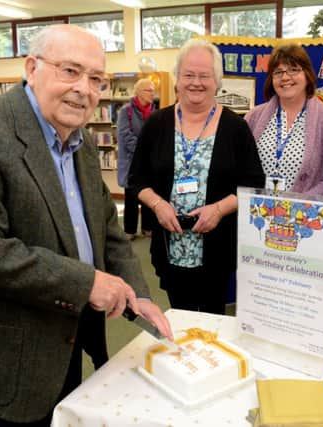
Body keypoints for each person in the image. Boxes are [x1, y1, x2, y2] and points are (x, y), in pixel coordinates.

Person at [0, 25, 172, 426]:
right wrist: (86, 284)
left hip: (65, 343)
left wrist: (138, 294)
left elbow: (105, 228)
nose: (84, 88)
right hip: (2, 358)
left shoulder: (81, 141)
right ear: (32, 67)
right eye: (70, 71)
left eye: (96, 79)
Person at [128, 39, 265, 315]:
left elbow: (254, 183)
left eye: (205, 76)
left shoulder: (235, 128)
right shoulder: (157, 124)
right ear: (177, 79)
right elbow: (136, 180)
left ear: (217, 81)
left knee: (214, 320)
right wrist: (157, 205)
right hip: (170, 247)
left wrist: (218, 209)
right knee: (179, 317)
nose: (196, 82)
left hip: (217, 248)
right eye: (189, 75)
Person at [245, 43, 323, 195]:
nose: (285, 77)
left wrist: (299, 205)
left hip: (305, 214)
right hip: (257, 213)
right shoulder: (253, 117)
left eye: (293, 70)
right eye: (278, 72)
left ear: (307, 74)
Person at [117, 78, 156, 239]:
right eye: (149, 90)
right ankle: (130, 230)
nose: (152, 94)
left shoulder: (154, 112)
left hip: (149, 162)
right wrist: (143, 152)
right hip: (131, 161)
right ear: (139, 92)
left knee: (148, 194)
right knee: (131, 196)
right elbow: (126, 136)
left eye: (153, 90)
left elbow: (156, 136)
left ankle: (147, 228)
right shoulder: (125, 111)